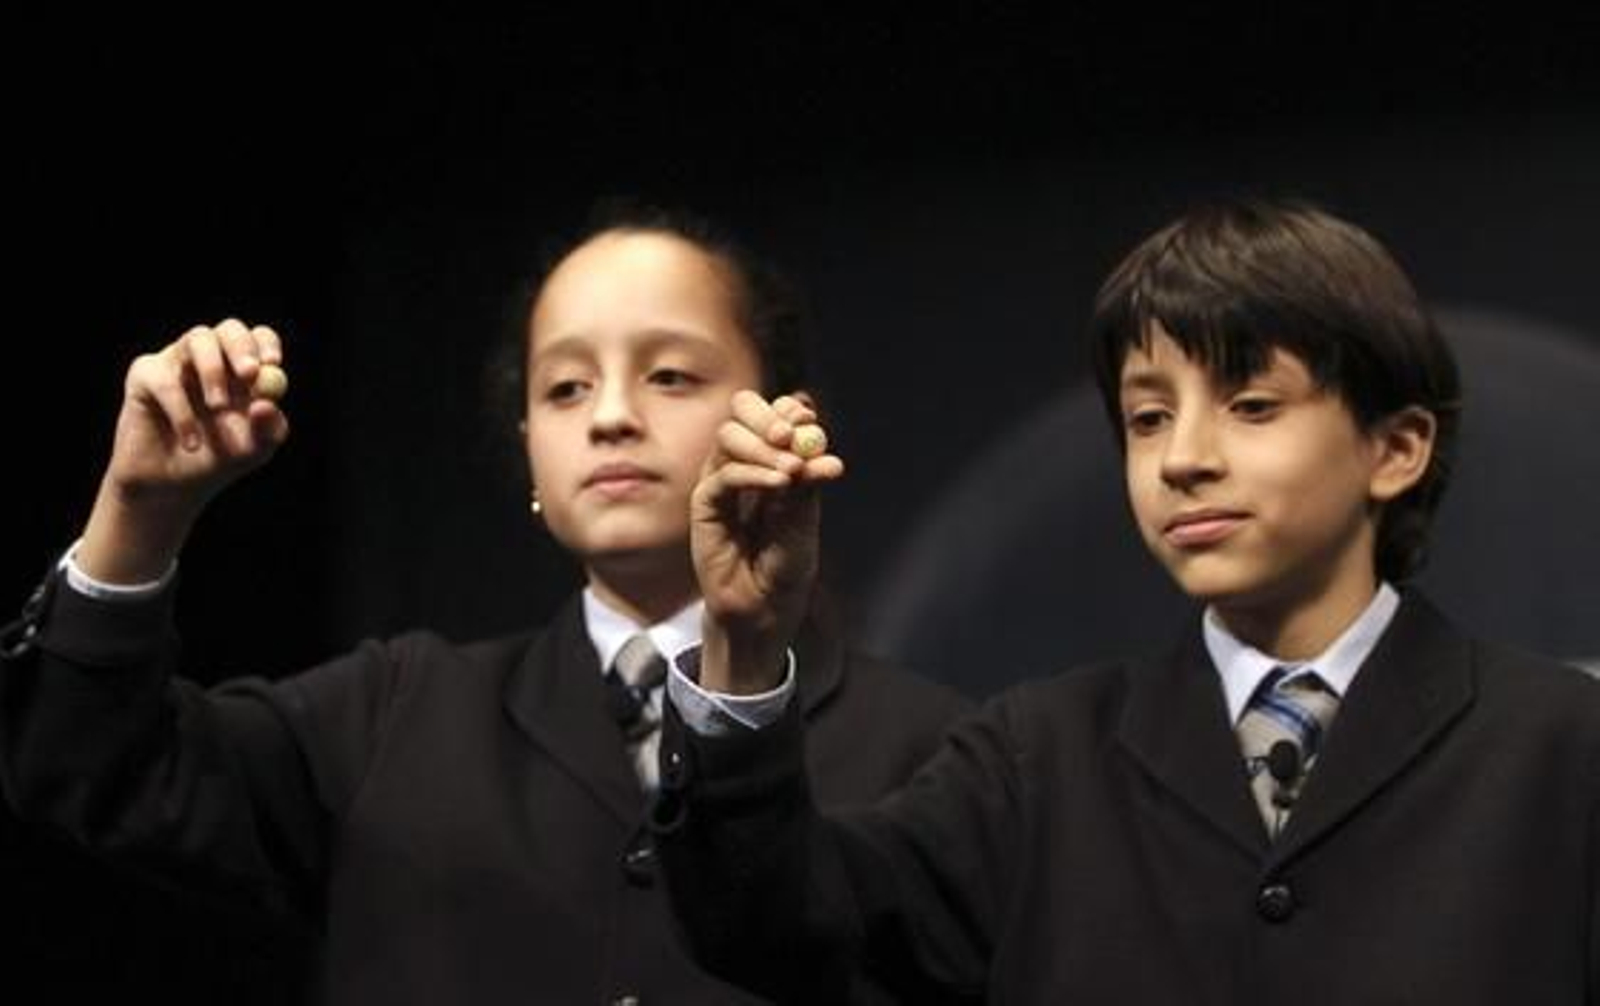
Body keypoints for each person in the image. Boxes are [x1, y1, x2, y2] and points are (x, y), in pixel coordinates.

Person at [0, 201, 969, 1004]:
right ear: (528, 450)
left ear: (786, 414)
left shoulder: (929, 750)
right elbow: (90, 766)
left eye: (670, 374)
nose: (610, 415)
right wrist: (140, 509)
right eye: (565, 387)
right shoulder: (392, 714)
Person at [657, 197, 1600, 1003]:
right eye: (1149, 417)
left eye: (1251, 405)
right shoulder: (1037, 760)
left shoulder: (1562, 748)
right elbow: (775, 929)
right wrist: (743, 644)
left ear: (1396, 449)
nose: (1182, 459)